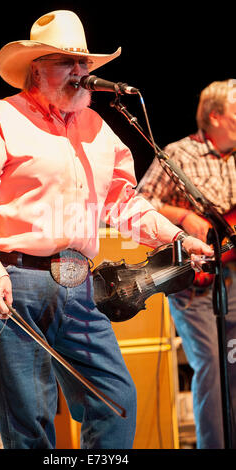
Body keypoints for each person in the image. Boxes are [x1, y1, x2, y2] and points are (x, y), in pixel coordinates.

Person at [0, 10, 213, 449]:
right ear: (37, 69)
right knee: (30, 419)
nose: (80, 72)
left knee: (115, 401)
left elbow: (124, 201)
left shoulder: (98, 128)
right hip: (15, 278)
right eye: (66, 62)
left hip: (78, 279)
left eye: (85, 64)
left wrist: (176, 237)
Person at [137, 79, 236, 448]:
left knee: (233, 367)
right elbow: (140, 202)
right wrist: (183, 216)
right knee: (211, 368)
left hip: (233, 278)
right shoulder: (178, 154)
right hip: (195, 282)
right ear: (216, 116)